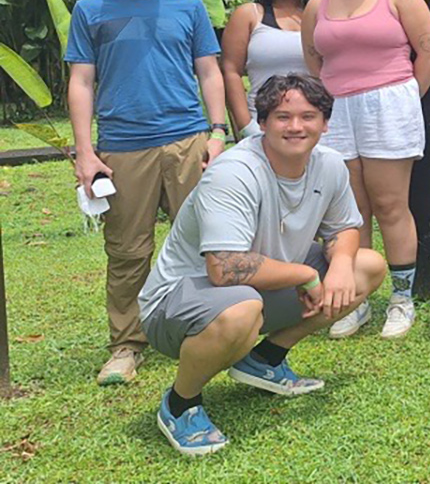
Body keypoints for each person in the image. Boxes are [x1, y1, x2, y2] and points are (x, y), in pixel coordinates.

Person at [137, 73, 385, 455]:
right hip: (176, 304)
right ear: (263, 122)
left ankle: (264, 360)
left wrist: (338, 266)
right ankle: (180, 403)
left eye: (308, 116)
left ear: (325, 123)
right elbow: (224, 268)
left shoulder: (330, 165)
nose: (296, 126)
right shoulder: (234, 172)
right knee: (242, 308)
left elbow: (345, 228)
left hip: (257, 289)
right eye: (283, 117)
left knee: (365, 265)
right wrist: (306, 274)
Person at [66, 0, 229, 386]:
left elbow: (209, 71)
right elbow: (81, 81)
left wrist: (218, 132)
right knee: (127, 250)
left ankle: (210, 325)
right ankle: (127, 345)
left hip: (187, 140)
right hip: (122, 147)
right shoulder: (91, 10)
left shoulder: (188, 8)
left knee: (206, 240)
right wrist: (85, 152)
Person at [301, 0, 430, 340]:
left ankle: (401, 298)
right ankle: (356, 298)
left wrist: (405, 97)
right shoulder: (318, 5)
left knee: (390, 204)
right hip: (337, 111)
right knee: (349, 210)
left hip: (389, 106)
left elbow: (429, 52)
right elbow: (313, 58)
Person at [220, 0, 316, 138]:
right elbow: (230, 71)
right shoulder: (248, 15)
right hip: (263, 125)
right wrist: (246, 125)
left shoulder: (321, 13)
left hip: (318, 122)